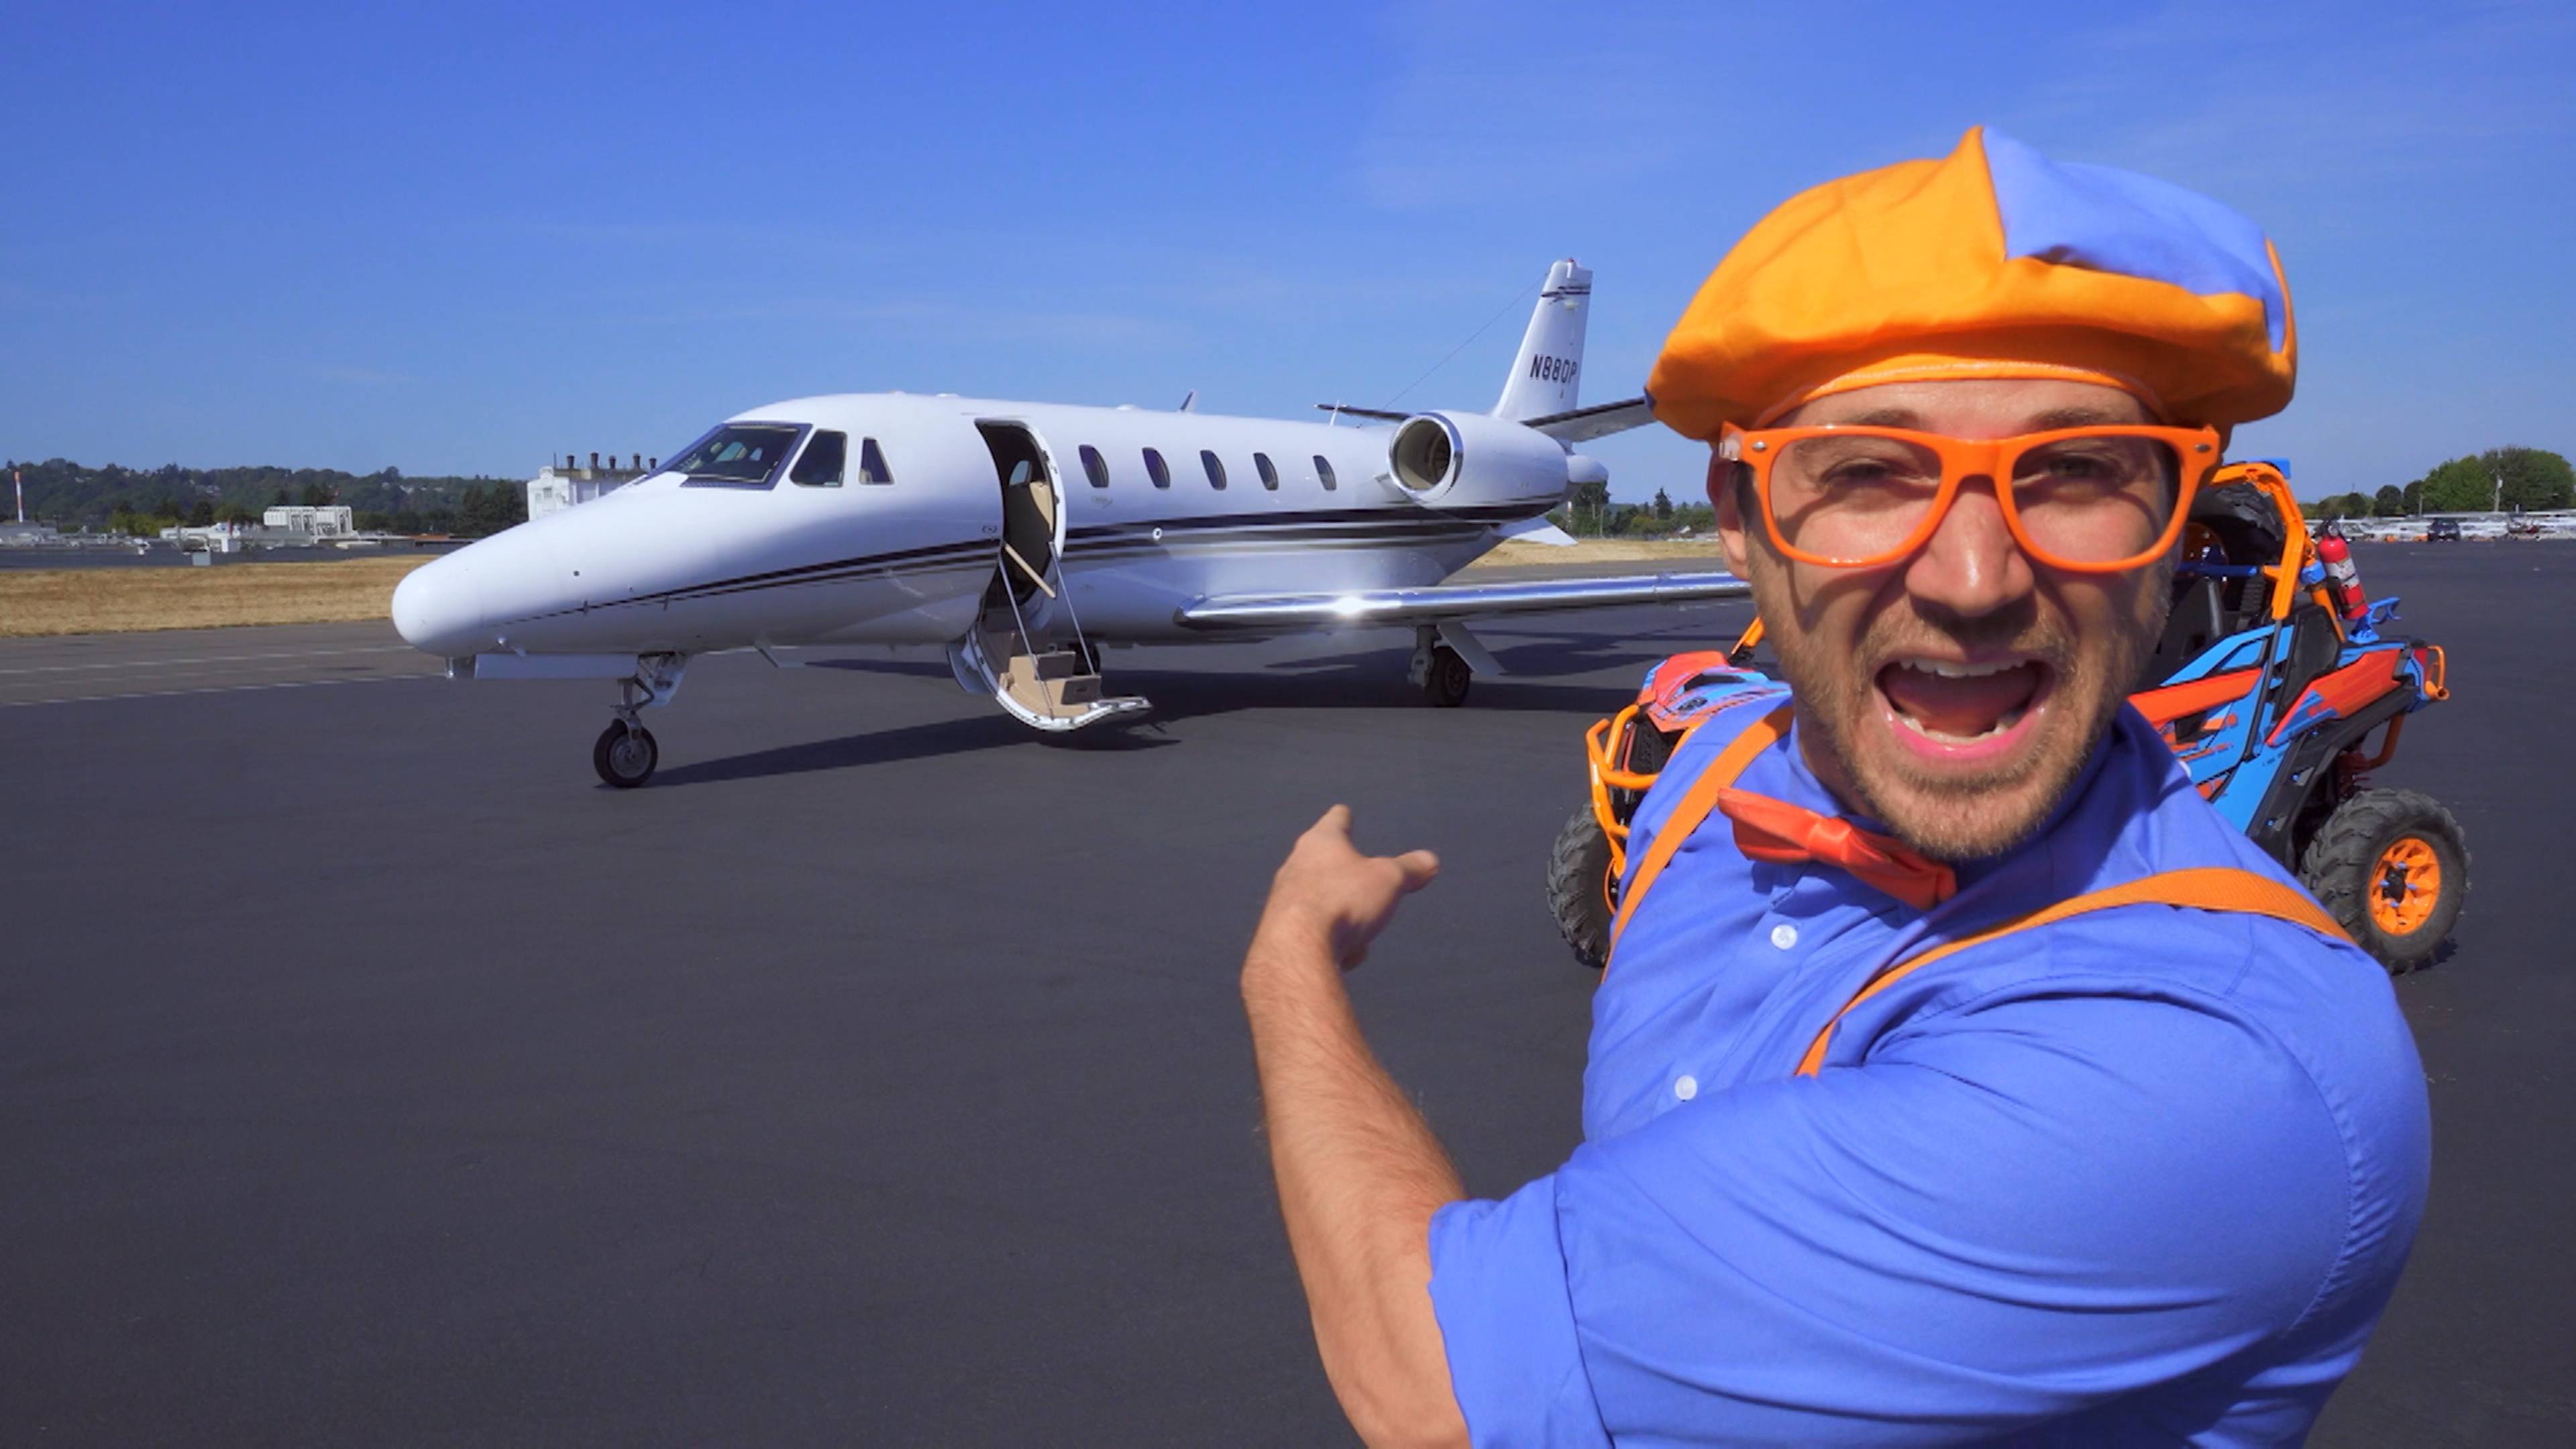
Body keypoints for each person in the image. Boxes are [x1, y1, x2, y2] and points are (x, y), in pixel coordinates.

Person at [1238, 127, 2430, 1448]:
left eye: (2079, 471)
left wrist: (1290, 968)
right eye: (1866, 472)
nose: (1972, 580)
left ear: (2179, 526)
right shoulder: (1712, 766)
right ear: (1743, 526)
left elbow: (1438, 1384)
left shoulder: (2224, 1072)